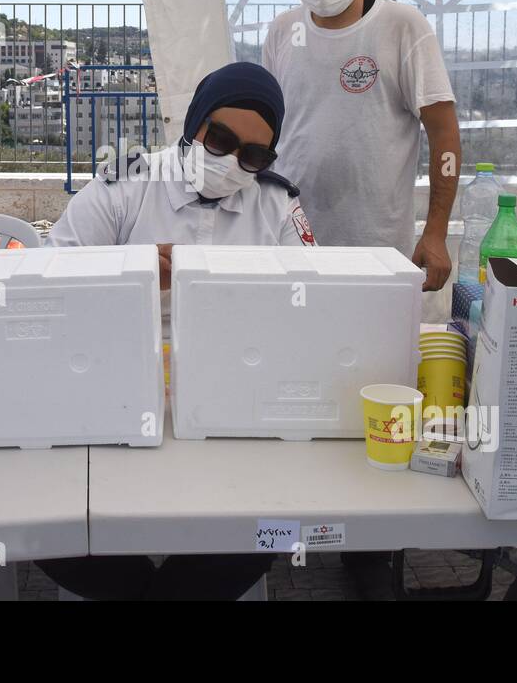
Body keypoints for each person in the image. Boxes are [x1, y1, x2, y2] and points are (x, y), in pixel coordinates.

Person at [40, 60, 314, 599]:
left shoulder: (279, 204)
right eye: (220, 139)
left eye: (253, 154)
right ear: (193, 126)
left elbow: (308, 311)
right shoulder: (127, 183)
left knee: (283, 525)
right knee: (47, 518)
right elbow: (49, 279)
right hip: (111, 382)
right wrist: (134, 271)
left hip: (236, 392)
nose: (234, 161)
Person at [262, 0, 461, 291]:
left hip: (377, 252)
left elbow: (445, 134)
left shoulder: (402, 26)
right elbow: (266, 133)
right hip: (289, 245)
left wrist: (436, 232)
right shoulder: (282, 31)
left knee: (374, 353)